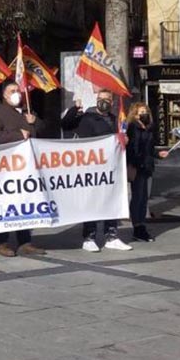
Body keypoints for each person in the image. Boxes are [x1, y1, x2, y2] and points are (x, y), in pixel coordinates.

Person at [61, 89, 131, 252]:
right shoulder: (86, 117)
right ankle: (89, 237)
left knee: (111, 201)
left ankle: (111, 236)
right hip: (90, 169)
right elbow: (66, 124)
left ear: (111, 102)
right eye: (100, 98)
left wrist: (125, 139)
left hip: (111, 169)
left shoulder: (116, 120)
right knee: (91, 201)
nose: (103, 101)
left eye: (106, 99)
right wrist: (74, 109)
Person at [0, 81, 46, 257]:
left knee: (25, 202)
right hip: (7, 166)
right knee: (6, 203)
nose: (17, 94)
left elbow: (43, 130)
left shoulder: (27, 111)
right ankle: (3, 242)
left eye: (18, 91)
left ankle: (25, 241)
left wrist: (35, 122)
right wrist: (17, 135)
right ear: (5, 95)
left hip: (28, 166)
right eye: (13, 91)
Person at [125, 102, 167, 243]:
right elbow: (131, 148)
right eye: (141, 112)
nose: (144, 114)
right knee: (137, 197)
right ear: (135, 114)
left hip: (147, 166)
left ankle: (141, 224)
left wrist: (157, 153)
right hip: (136, 166)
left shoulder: (149, 128)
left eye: (146, 112)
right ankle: (137, 226)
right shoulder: (132, 128)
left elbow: (149, 148)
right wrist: (132, 163)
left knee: (144, 198)